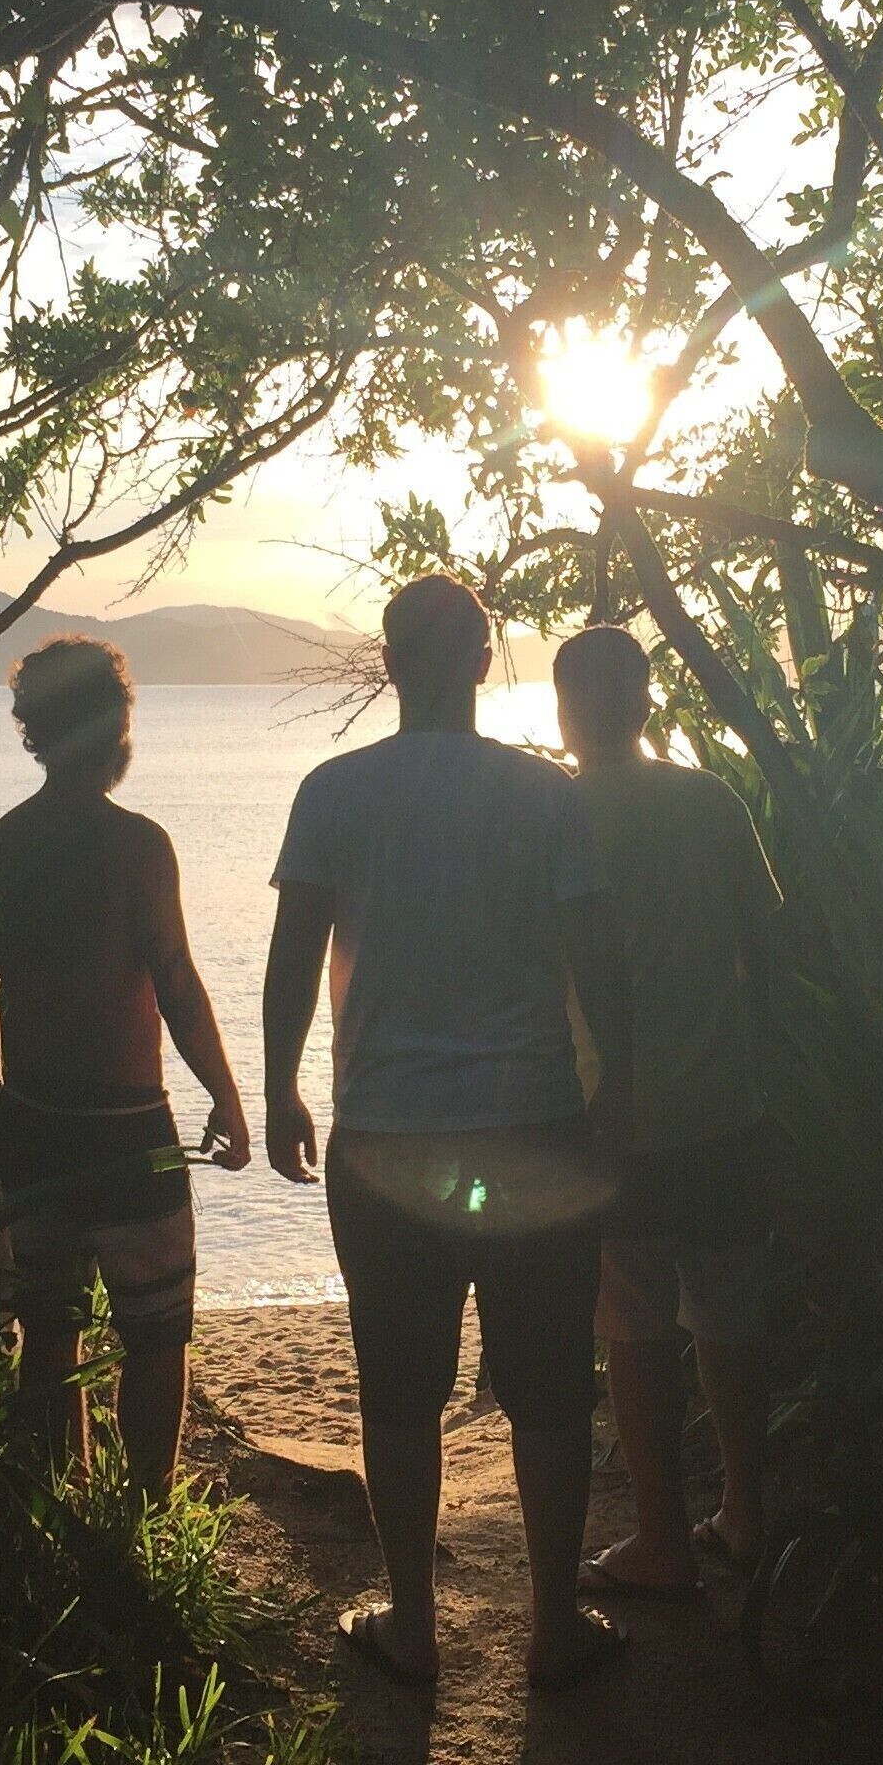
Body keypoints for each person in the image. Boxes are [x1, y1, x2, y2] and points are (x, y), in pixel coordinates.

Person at [263, 574, 632, 1692]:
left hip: (388, 1139)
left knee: (398, 1386)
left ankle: (413, 1626)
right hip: (533, 1130)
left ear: (388, 664)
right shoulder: (545, 795)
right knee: (550, 1388)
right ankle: (554, 1626)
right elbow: (597, 959)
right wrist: (620, 1089)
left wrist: (279, 1090)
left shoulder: (333, 792)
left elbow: (292, 960)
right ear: (481, 660)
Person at [0, 635, 250, 1492]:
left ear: (34, 729)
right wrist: (228, 1098)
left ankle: (62, 1509)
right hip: (129, 1131)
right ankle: (142, 1511)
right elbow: (176, 981)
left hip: (35, 1124)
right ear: (115, 725)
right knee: (156, 1335)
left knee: (51, 1333)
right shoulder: (140, 847)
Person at [553, 624, 780, 1591]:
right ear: (646, 703)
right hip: (727, 1105)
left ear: (567, 712)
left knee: (632, 1325)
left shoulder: (559, 815)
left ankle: (662, 1542)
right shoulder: (711, 801)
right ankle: (747, 1514)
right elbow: (769, 940)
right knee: (730, 1315)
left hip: (617, 1115)